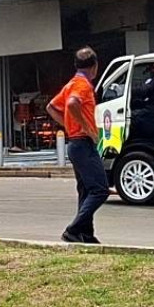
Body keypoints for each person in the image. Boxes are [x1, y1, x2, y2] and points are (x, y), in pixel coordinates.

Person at [47, 47, 107, 244]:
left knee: (86, 190)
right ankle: (73, 229)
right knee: (100, 190)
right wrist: (87, 128)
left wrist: (68, 125)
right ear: (94, 66)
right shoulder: (83, 85)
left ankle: (85, 233)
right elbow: (72, 104)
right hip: (83, 143)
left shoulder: (71, 83)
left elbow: (51, 107)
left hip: (74, 143)